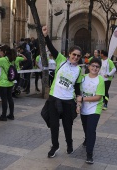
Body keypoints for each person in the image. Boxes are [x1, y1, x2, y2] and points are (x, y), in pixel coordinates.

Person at [42, 25, 82, 158]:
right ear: (69, 54)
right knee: (54, 125)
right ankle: (55, 146)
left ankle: (69, 144)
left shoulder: (79, 70)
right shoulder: (60, 60)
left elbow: (77, 87)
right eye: (74, 54)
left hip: (68, 101)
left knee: (67, 126)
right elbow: (52, 49)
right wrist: (46, 36)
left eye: (78, 56)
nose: (75, 57)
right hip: (54, 98)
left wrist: (79, 101)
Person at [76, 58, 104, 164]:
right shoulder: (83, 78)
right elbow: (79, 94)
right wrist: (78, 105)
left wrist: (83, 99)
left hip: (95, 109)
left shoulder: (100, 80)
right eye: (93, 65)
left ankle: (89, 154)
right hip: (84, 109)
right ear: (89, 66)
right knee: (86, 128)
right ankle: (87, 138)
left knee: (91, 130)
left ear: (99, 69)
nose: (94, 68)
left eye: (97, 66)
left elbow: (98, 97)